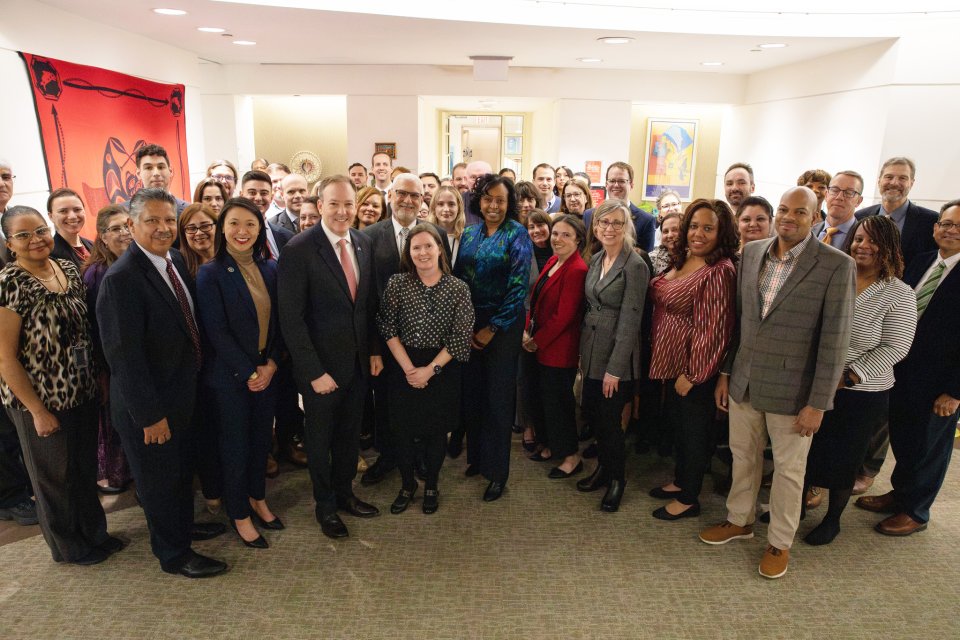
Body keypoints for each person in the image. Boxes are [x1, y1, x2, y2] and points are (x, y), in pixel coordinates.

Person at [701, 186, 854, 580]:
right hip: (745, 383)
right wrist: (727, 373)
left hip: (795, 392)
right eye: (783, 209)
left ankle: (779, 541)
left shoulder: (836, 265)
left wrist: (818, 403)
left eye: (799, 212)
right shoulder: (752, 253)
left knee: (788, 471)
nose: (789, 217)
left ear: (815, 217)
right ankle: (740, 520)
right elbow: (741, 325)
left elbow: (834, 342)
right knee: (743, 457)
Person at [97, 188, 228, 578]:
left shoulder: (170, 260)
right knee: (159, 483)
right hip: (150, 408)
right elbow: (125, 358)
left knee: (178, 474)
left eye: (169, 220)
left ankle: (182, 528)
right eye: (151, 220)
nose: (162, 227)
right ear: (132, 224)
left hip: (180, 396)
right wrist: (151, 416)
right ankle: (173, 554)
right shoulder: (122, 279)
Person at [0, 206, 119, 565]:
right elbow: (5, 357)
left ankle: (95, 534)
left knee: (83, 470)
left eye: (40, 230)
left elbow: (84, 331)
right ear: (10, 244)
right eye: (24, 235)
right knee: (54, 479)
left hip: (80, 390)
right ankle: (69, 546)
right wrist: (36, 410)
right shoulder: (10, 282)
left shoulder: (67, 268)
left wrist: (97, 376)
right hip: (40, 400)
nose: (35, 239)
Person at [277, 175, 383, 540]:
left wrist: (372, 351)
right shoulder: (299, 249)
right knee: (320, 444)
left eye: (348, 204)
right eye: (334, 203)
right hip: (320, 370)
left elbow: (367, 307)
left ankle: (345, 495)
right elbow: (291, 319)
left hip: (356, 366)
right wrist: (313, 371)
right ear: (319, 205)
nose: (342, 211)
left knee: (349, 438)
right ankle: (325, 507)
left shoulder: (364, 243)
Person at [800, 215, 915, 544]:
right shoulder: (837, 276)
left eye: (873, 241)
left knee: (844, 457)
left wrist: (847, 377)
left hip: (861, 391)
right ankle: (798, 506)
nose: (863, 246)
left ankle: (833, 519)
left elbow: (896, 347)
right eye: (859, 238)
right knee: (808, 449)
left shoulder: (898, 293)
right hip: (816, 380)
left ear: (889, 247)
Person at [855, 200, 960, 536]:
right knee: (904, 439)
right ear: (935, 229)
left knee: (929, 447)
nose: (950, 230)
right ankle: (900, 494)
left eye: (958, 226)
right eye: (946, 223)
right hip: (903, 371)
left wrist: (956, 392)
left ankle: (916, 510)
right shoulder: (921, 261)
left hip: (941, 383)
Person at [197, 198, 285, 549]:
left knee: (261, 442)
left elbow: (280, 323)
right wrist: (251, 373)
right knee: (235, 447)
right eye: (234, 223)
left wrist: (273, 364)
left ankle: (257, 498)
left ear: (260, 229)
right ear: (222, 228)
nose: (242, 231)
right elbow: (216, 332)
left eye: (250, 224)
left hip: (267, 370)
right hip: (231, 378)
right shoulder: (211, 272)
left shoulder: (270, 269)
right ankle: (239, 512)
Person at [647, 199, 738, 520]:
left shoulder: (719, 270)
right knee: (679, 428)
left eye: (708, 228)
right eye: (695, 226)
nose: (699, 234)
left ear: (722, 232)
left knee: (694, 433)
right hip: (671, 362)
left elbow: (714, 331)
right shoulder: (685, 257)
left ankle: (689, 498)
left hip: (693, 368)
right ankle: (681, 481)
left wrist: (695, 374)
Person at [377, 225, 474, 514]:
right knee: (403, 430)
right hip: (403, 363)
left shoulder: (458, 287)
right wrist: (409, 370)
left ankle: (431, 483)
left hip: (442, 365)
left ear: (440, 249)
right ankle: (408, 485)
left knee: (435, 431)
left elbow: (461, 336)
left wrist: (429, 371)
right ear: (409, 252)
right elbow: (387, 326)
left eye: (428, 246)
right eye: (416, 247)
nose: (422, 252)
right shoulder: (397, 283)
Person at [454, 173, 533, 502]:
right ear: (479, 201)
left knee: (498, 400)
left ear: (509, 203)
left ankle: (497, 472)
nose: (494, 205)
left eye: (500, 200)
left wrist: (492, 327)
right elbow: (459, 278)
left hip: (502, 326)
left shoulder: (518, 235)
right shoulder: (469, 233)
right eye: (488, 199)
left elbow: (518, 288)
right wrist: (463, 322)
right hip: (470, 323)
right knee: (472, 395)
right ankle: (477, 459)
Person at [576, 200, 649, 512]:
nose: (609, 229)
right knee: (594, 415)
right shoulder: (595, 259)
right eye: (604, 223)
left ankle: (617, 479)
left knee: (610, 423)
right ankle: (603, 469)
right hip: (591, 352)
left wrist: (614, 371)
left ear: (626, 227)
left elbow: (631, 323)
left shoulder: (635, 265)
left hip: (615, 359)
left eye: (617, 223)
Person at [521, 214, 588, 478]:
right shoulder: (553, 260)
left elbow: (565, 316)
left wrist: (537, 340)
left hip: (559, 350)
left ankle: (571, 456)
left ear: (578, 240)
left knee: (559, 404)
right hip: (538, 344)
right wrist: (527, 329)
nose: (558, 239)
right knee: (542, 400)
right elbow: (535, 300)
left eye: (566, 235)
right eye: (556, 233)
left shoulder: (577, 269)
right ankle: (549, 445)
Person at [81, 205, 133, 494]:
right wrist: (103, 368)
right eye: (115, 228)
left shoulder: (134, 264)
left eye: (127, 226)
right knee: (115, 423)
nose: (124, 232)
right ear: (101, 236)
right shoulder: (96, 273)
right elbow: (95, 327)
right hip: (110, 363)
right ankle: (116, 474)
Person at [0, 161, 37, 528]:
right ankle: (10, 497)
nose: (1, 183)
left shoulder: (11, 222)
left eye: (6, 176)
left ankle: (20, 490)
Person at [854, 157, 937, 268]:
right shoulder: (860, 217)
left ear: (911, 183)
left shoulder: (930, 222)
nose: (894, 183)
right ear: (879, 181)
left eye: (902, 178)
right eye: (889, 177)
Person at [583, 162, 656, 252]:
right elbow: (585, 251)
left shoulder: (646, 220)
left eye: (621, 181)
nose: (616, 185)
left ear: (631, 185)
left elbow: (646, 259)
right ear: (606, 184)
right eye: (612, 181)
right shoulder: (589, 215)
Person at [132, 144, 189, 215]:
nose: (156, 173)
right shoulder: (124, 210)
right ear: (138, 173)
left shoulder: (188, 210)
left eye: (161, 167)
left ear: (171, 171)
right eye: (148, 168)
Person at [813, 171, 864, 249]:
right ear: (826, 195)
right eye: (835, 190)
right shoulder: (808, 232)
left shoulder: (865, 238)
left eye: (849, 192)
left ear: (859, 201)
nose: (839, 197)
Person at [47, 188, 94, 269]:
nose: (72, 216)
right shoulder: (51, 255)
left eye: (77, 210)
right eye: (63, 211)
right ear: (51, 216)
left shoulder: (93, 246)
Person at [427, 185, 466, 267]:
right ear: (434, 207)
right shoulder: (425, 236)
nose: (446, 209)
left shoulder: (466, 237)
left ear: (459, 207)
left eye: (451, 204)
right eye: (440, 204)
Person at [177, 204, 218, 279]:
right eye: (191, 228)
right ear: (184, 234)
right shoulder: (179, 267)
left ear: (217, 227)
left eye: (205, 226)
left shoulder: (234, 258)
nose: (199, 233)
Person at [649, 211, 681, 276]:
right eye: (665, 231)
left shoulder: (694, 258)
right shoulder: (653, 258)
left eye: (675, 230)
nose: (669, 235)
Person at [526, 210, 553, 274]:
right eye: (531, 227)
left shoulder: (560, 247)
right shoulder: (524, 252)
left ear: (549, 226)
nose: (536, 230)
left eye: (540, 225)